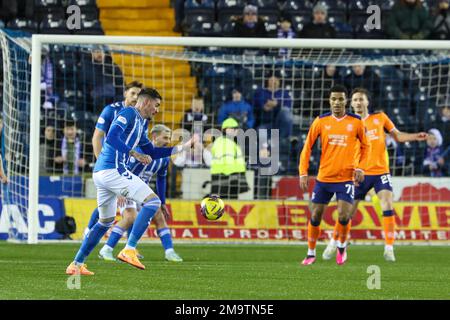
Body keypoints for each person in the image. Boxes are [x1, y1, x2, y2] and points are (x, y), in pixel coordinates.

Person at [65, 88, 196, 275]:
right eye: (156, 105)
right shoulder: (128, 113)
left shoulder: (141, 125)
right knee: (153, 201)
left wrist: (182, 147)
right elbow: (110, 137)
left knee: (105, 222)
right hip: (113, 170)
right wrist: (133, 152)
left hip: (102, 174)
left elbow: (151, 151)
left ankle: (76, 264)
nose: (157, 110)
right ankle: (129, 249)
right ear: (145, 102)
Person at [322, 88, 428, 262]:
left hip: (380, 172)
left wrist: (416, 136)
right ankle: (334, 241)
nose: (358, 102)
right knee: (346, 214)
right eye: (355, 100)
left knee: (387, 204)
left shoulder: (380, 118)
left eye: (361, 99)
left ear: (367, 102)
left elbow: (398, 136)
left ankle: (389, 248)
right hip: (358, 174)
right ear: (351, 103)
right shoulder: (347, 122)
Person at [299, 85, 370, 266]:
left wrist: (361, 167)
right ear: (329, 101)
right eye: (333, 99)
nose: (337, 103)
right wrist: (303, 172)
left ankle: (341, 247)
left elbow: (366, 146)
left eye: (340, 99)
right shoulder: (321, 121)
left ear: (345, 101)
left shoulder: (355, 122)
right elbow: (307, 147)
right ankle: (310, 252)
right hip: (324, 178)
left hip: (346, 178)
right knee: (315, 215)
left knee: (344, 216)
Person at [98, 124, 183, 262]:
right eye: (165, 137)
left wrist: (162, 202)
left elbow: (161, 180)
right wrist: (120, 192)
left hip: (142, 192)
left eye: (169, 138)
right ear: (154, 137)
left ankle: (169, 252)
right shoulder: (140, 152)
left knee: (159, 217)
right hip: (126, 188)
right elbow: (124, 170)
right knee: (130, 218)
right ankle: (106, 249)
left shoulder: (164, 159)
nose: (168, 141)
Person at [84, 81, 144, 235]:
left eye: (139, 94)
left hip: (126, 162)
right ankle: (90, 232)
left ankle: (129, 247)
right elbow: (97, 138)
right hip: (109, 163)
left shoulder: (142, 116)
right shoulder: (111, 110)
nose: (135, 97)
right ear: (125, 93)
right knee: (113, 202)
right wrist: (101, 163)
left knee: (116, 203)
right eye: (133, 93)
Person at [210, 118, 248, 199]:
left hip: (225, 179)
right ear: (227, 130)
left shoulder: (225, 142)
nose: (237, 131)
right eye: (235, 128)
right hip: (227, 180)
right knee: (226, 205)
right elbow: (227, 162)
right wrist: (234, 179)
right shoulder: (227, 143)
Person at [253, 75, 293, 140]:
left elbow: (287, 107)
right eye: (271, 80)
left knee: (286, 112)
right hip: (267, 124)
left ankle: (284, 140)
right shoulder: (261, 92)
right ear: (268, 81)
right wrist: (266, 105)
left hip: (280, 123)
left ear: (279, 82)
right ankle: (270, 144)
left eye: (276, 80)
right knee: (260, 131)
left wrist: (277, 104)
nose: (273, 82)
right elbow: (260, 105)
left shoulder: (284, 93)